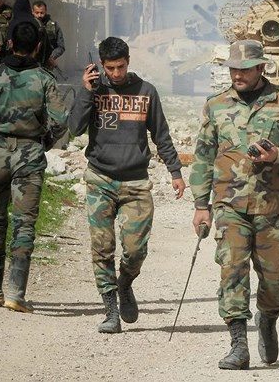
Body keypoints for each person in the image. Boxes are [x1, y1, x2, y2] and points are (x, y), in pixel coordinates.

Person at [190, 39, 279, 370]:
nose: (238, 75)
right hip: (229, 205)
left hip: (271, 204)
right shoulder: (215, 105)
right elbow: (203, 156)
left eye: (245, 69)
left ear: (261, 67)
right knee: (232, 270)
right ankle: (238, 344)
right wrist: (201, 205)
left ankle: (268, 317)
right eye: (233, 69)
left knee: (276, 280)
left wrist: (278, 154)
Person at [68, 37, 186, 334]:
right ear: (101, 65)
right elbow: (74, 128)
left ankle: (125, 283)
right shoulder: (95, 90)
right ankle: (110, 311)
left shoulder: (147, 92)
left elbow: (161, 135)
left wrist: (175, 171)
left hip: (136, 183)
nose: (116, 73)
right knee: (102, 247)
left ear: (128, 61)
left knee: (135, 250)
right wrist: (86, 92)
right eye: (110, 68)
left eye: (120, 67)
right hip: (100, 180)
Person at [0, 21, 68, 312]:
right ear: (38, 47)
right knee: (24, 223)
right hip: (29, 155)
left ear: (10, 44)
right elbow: (61, 121)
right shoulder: (45, 80)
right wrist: (43, 142)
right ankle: (16, 292)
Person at [7, 0, 50, 67]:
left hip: (13, 65)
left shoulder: (12, 24)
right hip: (33, 65)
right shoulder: (38, 23)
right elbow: (47, 48)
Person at [32, 1, 65, 69]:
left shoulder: (54, 26)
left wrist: (51, 56)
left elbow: (61, 47)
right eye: (37, 13)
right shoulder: (28, 25)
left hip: (46, 65)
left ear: (46, 11)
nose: (39, 15)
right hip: (31, 63)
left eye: (42, 13)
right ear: (32, 12)